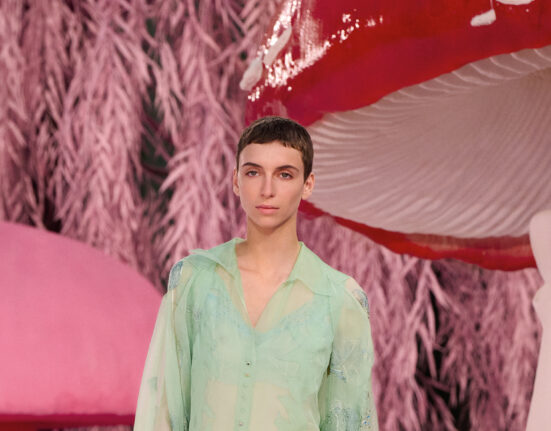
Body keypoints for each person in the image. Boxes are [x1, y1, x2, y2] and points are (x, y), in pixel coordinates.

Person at [134, 116, 379, 430]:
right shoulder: (193, 282)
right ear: (236, 181)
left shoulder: (339, 299)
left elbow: (351, 421)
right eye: (253, 172)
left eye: (284, 174)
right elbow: (163, 413)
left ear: (308, 185)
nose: (267, 189)